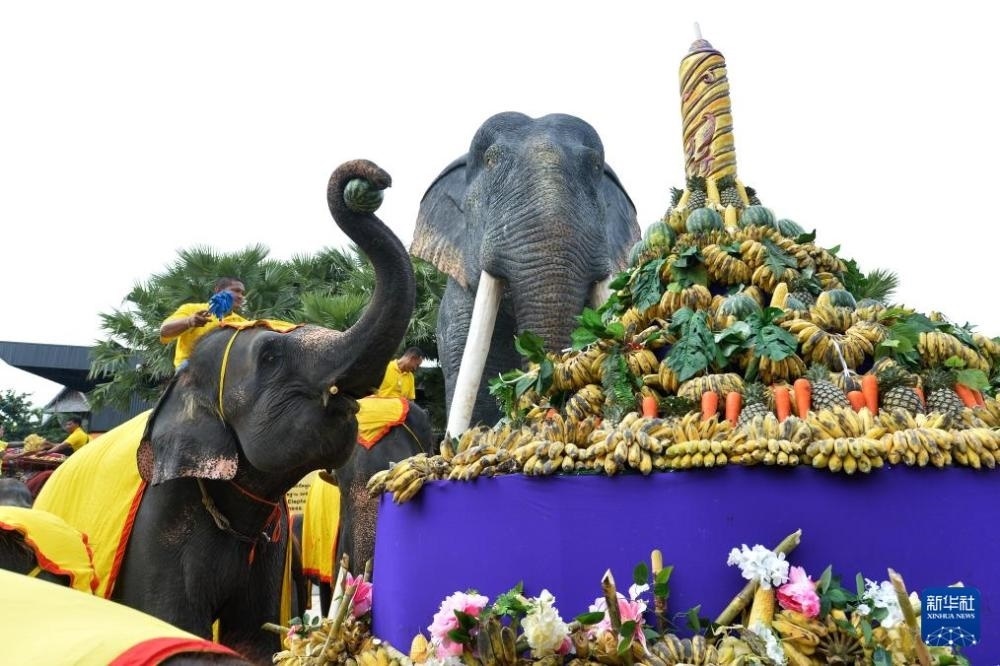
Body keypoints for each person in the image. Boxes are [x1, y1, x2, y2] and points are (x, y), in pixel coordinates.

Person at [160, 277, 248, 369]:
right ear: (219, 290)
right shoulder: (191, 309)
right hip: (190, 368)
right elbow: (164, 331)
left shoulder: (243, 323)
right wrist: (189, 321)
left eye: (242, 293)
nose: (240, 296)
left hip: (226, 371)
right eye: (236, 291)